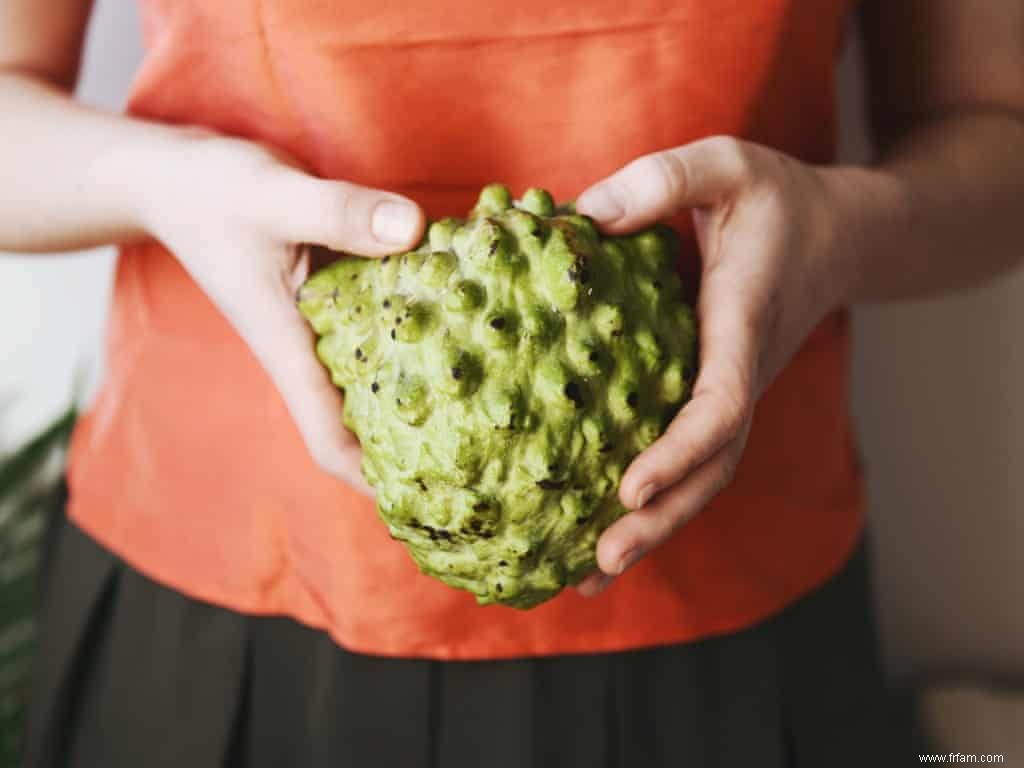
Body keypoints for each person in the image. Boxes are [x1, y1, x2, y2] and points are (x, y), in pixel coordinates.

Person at [3, 0, 1022, 765]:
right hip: (222, 593)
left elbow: (990, 127)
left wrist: (837, 228)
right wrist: (161, 178)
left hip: (734, 613)